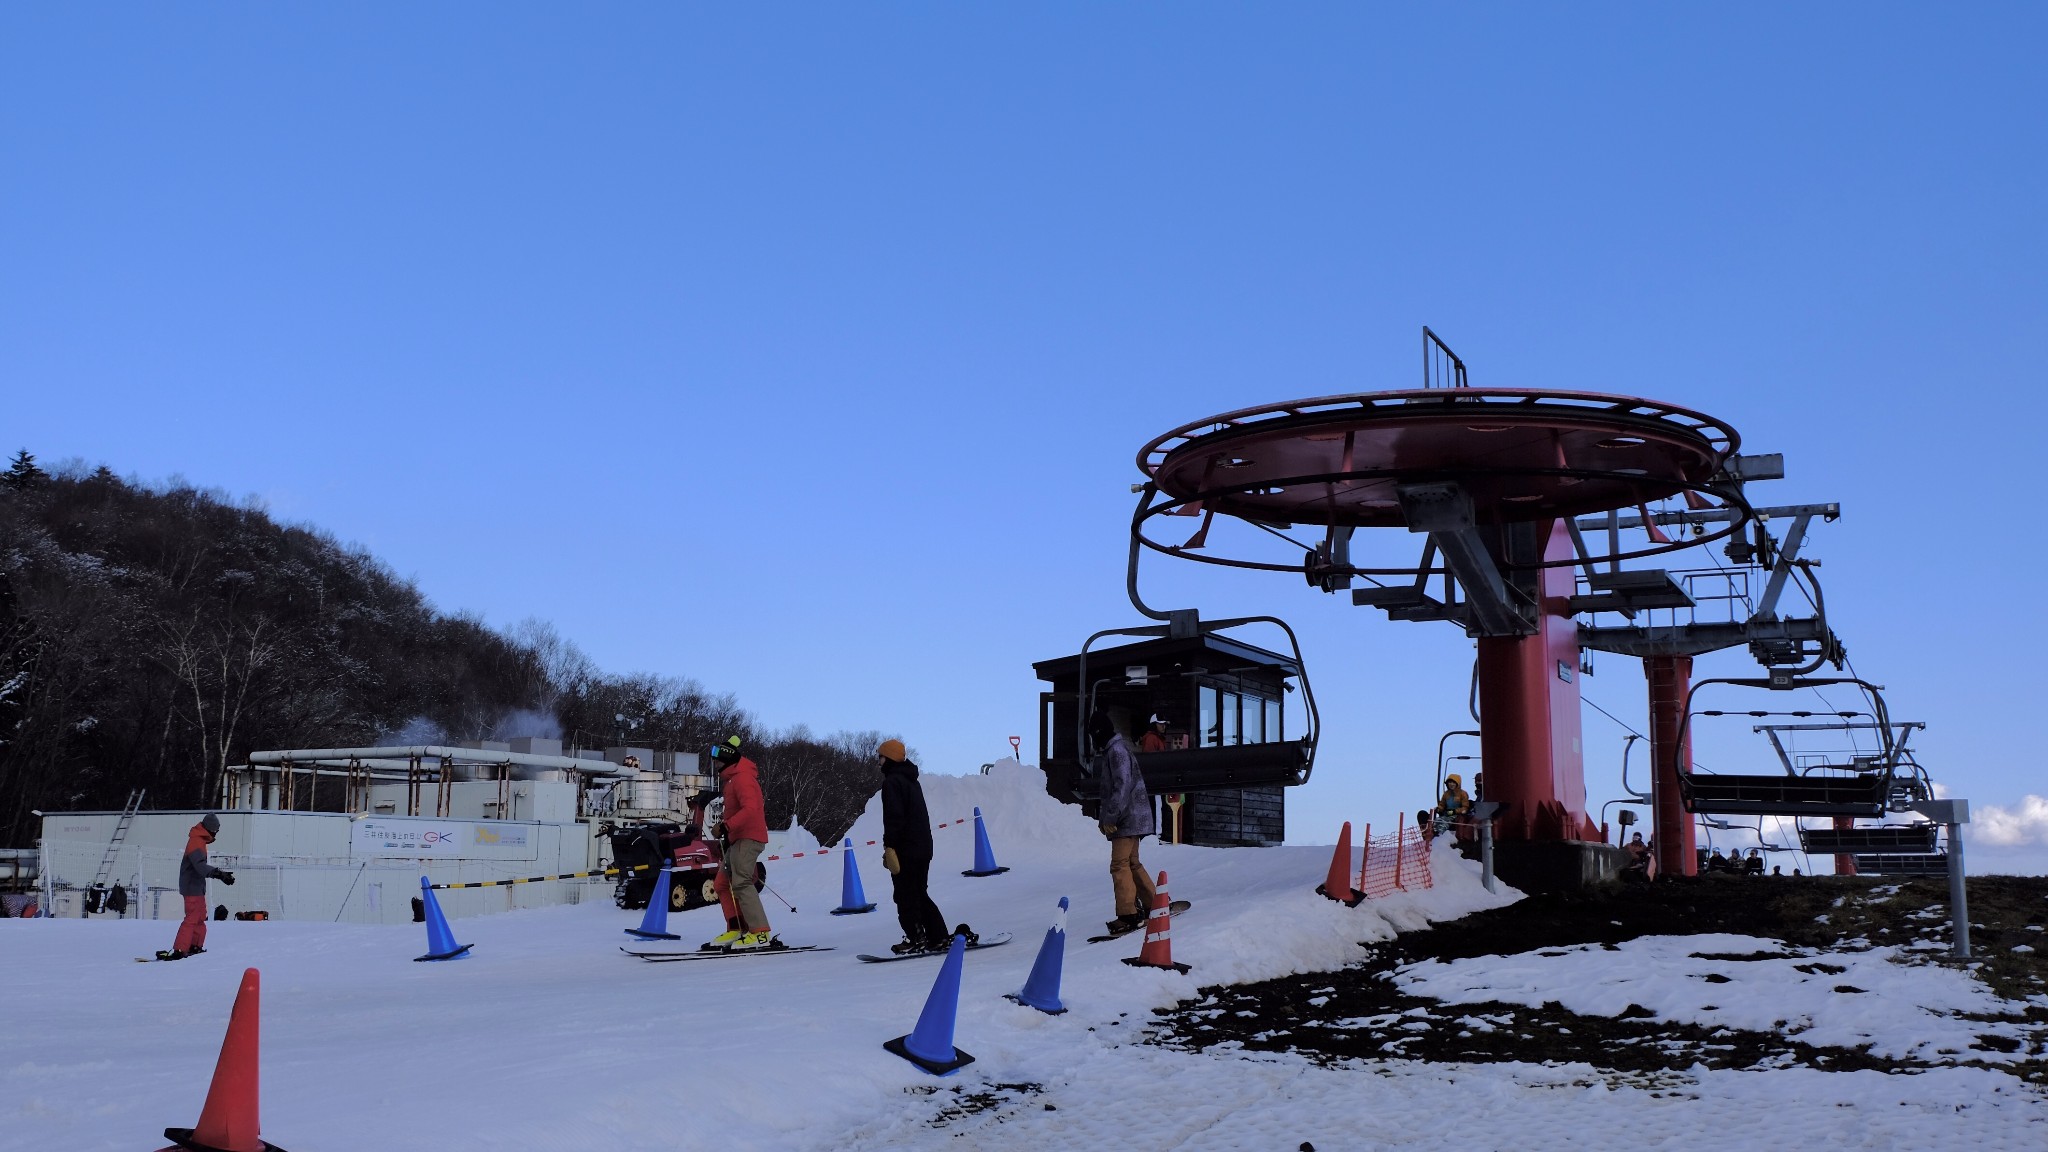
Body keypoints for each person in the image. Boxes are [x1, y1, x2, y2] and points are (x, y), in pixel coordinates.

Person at [878, 739, 958, 954]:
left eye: (881, 757)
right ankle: (938, 936)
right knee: (919, 892)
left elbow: (894, 817)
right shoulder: (912, 780)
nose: (879, 761)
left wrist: (890, 846)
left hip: (906, 848)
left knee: (905, 895)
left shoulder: (892, 782)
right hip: (923, 846)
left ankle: (915, 938)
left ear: (890, 758)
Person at [703, 736, 775, 951]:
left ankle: (761, 933)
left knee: (742, 881)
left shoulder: (743, 778)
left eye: (717, 761)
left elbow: (751, 808)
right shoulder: (733, 779)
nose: (715, 765)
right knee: (721, 884)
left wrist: (726, 826)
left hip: (748, 837)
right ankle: (737, 928)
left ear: (726, 760)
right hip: (736, 838)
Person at [1091, 709, 1158, 934]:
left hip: (1126, 818)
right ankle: (1154, 904)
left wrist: (1110, 817)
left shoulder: (1116, 752)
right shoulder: (1116, 749)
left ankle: (1128, 914)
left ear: (1099, 733)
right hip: (1132, 815)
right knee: (1132, 863)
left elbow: (1122, 786)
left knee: (1119, 864)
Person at [159, 814, 233, 960]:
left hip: (197, 887)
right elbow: (199, 866)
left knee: (199, 917)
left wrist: (219, 874)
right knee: (192, 918)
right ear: (211, 829)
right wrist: (218, 874)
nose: (216, 834)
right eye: (216, 831)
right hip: (192, 887)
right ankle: (180, 949)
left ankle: (195, 946)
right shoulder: (196, 841)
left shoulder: (200, 841)